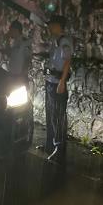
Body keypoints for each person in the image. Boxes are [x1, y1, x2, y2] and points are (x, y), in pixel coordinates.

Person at [44, 15, 73, 160]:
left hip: (57, 83)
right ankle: (49, 144)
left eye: (51, 24)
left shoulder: (64, 41)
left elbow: (67, 61)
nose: (49, 27)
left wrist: (62, 82)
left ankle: (59, 148)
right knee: (50, 114)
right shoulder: (54, 41)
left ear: (58, 26)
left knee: (58, 117)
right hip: (50, 81)